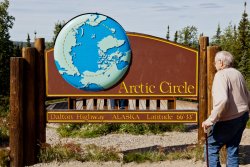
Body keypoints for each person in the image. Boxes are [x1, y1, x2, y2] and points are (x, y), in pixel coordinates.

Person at [202, 51, 250, 167]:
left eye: (215, 62)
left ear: (221, 62)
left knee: (211, 148)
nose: (214, 65)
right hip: (242, 117)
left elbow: (222, 100)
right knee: (232, 149)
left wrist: (210, 120)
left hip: (228, 120)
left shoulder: (221, 75)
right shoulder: (238, 73)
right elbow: (247, 95)